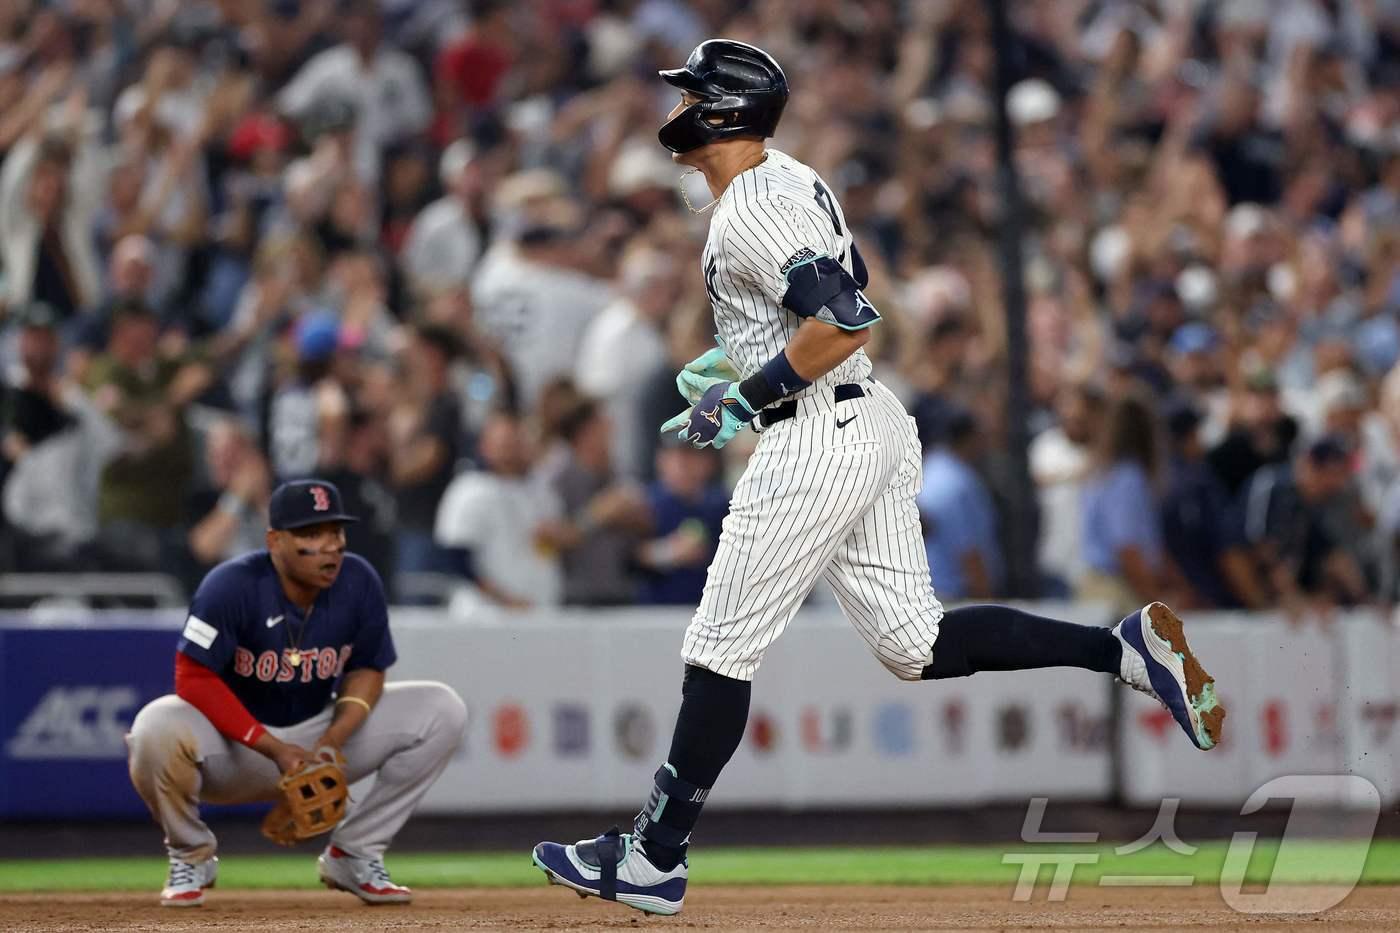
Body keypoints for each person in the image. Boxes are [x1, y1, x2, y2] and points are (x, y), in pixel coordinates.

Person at [530, 39, 1226, 918]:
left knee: (719, 646)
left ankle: (654, 853)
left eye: (688, 95)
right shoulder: (790, 180)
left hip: (817, 435)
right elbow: (815, 312)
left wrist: (744, 396)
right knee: (917, 645)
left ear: (720, 112)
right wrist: (731, 363)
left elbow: (846, 318)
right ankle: (1120, 649)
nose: (672, 108)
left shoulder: (748, 205)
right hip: (867, 421)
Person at [126, 479, 466, 907]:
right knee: (153, 729)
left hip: (315, 738)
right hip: (233, 744)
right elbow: (192, 677)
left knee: (441, 708)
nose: (330, 546)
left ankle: (355, 852)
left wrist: (334, 739)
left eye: (335, 532)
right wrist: (272, 748)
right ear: (274, 540)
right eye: (311, 534)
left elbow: (368, 668)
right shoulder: (230, 585)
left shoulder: (358, 580)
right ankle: (190, 854)